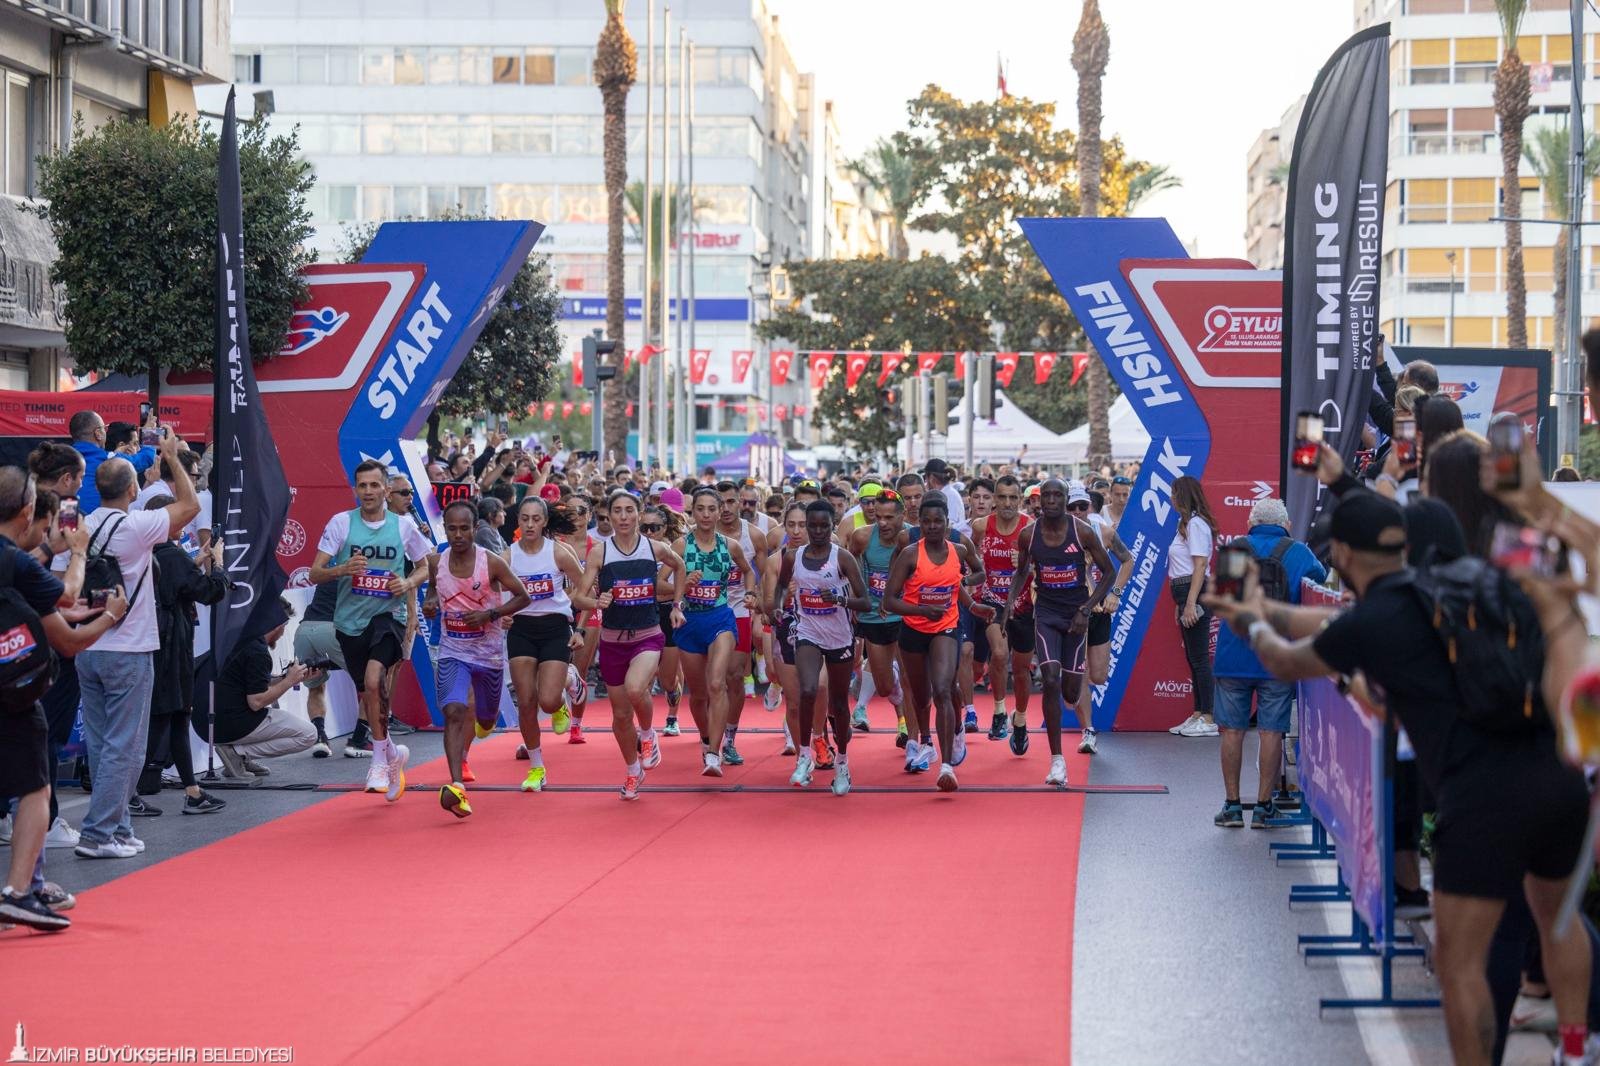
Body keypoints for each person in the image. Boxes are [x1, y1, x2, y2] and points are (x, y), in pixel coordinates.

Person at [1213, 491, 1593, 1066]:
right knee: (1557, 921)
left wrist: (1251, 626)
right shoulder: (1476, 583)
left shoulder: (1379, 617)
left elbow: (1291, 660)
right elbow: (1323, 621)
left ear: (1340, 552)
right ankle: (1576, 1048)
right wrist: (1272, 615)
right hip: (1556, 780)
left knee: (1460, 963)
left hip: (1482, 799)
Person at [0, 466, 130, 927]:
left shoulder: (18, 562)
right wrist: (77, 554)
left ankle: (29, 885)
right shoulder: (13, 563)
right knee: (35, 786)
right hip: (13, 695)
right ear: (29, 510)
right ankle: (19, 891)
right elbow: (65, 596)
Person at [75, 430, 199, 858]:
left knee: (102, 742)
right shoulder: (136, 525)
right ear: (132, 489)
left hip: (87, 645)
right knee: (125, 747)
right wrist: (171, 456)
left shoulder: (82, 528)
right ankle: (97, 834)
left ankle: (120, 826)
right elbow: (190, 506)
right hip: (128, 650)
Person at [309, 460, 434, 802]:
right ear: (355, 489)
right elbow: (315, 572)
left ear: (386, 490)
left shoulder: (403, 526)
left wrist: (407, 581)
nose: (368, 492)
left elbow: (426, 566)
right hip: (350, 622)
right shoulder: (341, 524)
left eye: (374, 486)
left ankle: (378, 761)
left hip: (387, 616)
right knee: (366, 692)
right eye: (362, 486)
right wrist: (343, 569)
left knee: (376, 680)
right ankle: (391, 754)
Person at [1205, 497, 1325, 829]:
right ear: (1285, 524)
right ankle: (1263, 806)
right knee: (1272, 731)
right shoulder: (1298, 551)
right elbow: (1320, 580)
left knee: (1232, 730)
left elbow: (1226, 601)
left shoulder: (1236, 549)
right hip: (1278, 657)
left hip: (1233, 654)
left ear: (1251, 522)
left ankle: (1231, 806)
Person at [998, 478, 1114, 787]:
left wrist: (1087, 608)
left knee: (1070, 693)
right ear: (1038, 500)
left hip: (1075, 615)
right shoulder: (1028, 535)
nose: (1050, 500)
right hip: (1046, 614)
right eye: (1045, 495)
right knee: (1049, 679)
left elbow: (1109, 572)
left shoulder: (1083, 532)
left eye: (1056, 495)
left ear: (1065, 499)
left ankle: (1071, 697)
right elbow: (1022, 570)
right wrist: (1009, 602)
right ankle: (1057, 762)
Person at [576, 489, 686, 800]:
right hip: (612, 641)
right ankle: (632, 770)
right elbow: (578, 597)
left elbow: (679, 567)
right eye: (618, 511)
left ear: (638, 513)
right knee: (621, 715)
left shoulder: (654, 548)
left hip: (648, 635)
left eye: (629, 510)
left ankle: (649, 735)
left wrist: (677, 605)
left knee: (637, 689)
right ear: (609, 517)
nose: (624, 517)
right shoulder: (599, 552)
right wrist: (597, 600)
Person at [423, 501, 530, 817]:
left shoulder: (491, 563)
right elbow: (433, 591)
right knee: (454, 710)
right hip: (453, 653)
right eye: (452, 529)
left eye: (464, 528)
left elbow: (523, 596)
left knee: (485, 717)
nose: (458, 535)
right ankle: (457, 787)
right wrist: (430, 603)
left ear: (474, 528)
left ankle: (485, 723)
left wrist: (490, 613)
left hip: (489, 657)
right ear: (445, 529)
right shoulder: (436, 562)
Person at [883, 493, 986, 791]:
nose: (931, 526)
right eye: (925, 521)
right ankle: (926, 739)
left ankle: (946, 766)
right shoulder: (910, 554)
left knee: (943, 688)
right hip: (914, 629)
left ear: (947, 522)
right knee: (921, 695)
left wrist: (966, 591)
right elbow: (890, 600)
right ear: (920, 523)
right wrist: (921, 609)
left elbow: (978, 571)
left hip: (946, 627)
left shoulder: (958, 548)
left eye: (937, 521)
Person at [137, 495, 230, 815]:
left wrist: (193, 562)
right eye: (178, 516)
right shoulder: (172, 556)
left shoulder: (145, 552)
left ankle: (192, 791)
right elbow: (211, 592)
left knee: (175, 717)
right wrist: (216, 562)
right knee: (163, 719)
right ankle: (126, 794)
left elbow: (171, 584)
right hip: (171, 648)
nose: (184, 522)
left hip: (151, 644)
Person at [772, 500, 869, 794]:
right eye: (811, 525)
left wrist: (839, 600)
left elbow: (865, 602)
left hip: (839, 637)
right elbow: (780, 585)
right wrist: (778, 606)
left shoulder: (842, 558)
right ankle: (804, 757)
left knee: (839, 704)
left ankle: (842, 762)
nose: (816, 531)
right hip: (807, 633)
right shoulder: (793, 556)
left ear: (832, 526)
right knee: (808, 690)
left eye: (823, 526)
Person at [503, 497, 589, 792]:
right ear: (518, 521)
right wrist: (500, 615)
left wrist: (580, 627)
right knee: (526, 701)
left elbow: (585, 587)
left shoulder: (559, 553)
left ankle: (569, 681)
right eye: (524, 518)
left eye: (535, 519)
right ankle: (537, 768)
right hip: (522, 629)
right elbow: (492, 591)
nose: (529, 524)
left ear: (544, 522)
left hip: (555, 627)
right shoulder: (507, 556)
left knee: (548, 701)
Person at [671, 487, 757, 777]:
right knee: (697, 694)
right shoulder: (681, 546)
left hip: (721, 618)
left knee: (717, 684)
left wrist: (749, 593)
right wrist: (683, 587)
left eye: (712, 509)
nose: (706, 514)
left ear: (720, 512)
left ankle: (713, 753)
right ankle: (707, 738)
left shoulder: (730, 545)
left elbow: (748, 571)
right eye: (700, 509)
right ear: (692, 512)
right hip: (689, 622)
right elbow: (659, 585)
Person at [211, 598, 323, 777]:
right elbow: (256, 701)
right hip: (232, 722)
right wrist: (289, 681)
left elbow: (249, 681)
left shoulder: (237, 636)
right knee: (309, 734)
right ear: (277, 624)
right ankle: (238, 753)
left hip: (209, 722)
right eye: (284, 626)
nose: (282, 633)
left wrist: (289, 677)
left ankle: (239, 755)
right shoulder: (258, 651)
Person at [1068, 483, 1133, 755]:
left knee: (1099, 675)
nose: (1079, 511)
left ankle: (1073, 691)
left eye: (1083, 506)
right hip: (1071, 611)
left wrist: (1115, 593)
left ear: (1090, 506)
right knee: (1081, 673)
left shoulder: (1100, 530)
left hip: (1098, 612)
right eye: (1073, 507)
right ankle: (1088, 731)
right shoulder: (1054, 532)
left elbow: (1127, 560)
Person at [972, 475, 1035, 746]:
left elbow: (1044, 565)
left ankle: (1019, 718)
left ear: (1019, 500)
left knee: (1021, 671)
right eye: (1002, 497)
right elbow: (972, 560)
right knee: (998, 654)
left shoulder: (1030, 527)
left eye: (1013, 498)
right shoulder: (981, 526)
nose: (1007, 503)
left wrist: (1027, 563)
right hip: (992, 603)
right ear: (994, 499)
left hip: (1024, 606)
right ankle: (999, 711)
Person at [847, 487, 907, 737]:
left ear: (902, 516)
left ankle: (914, 739)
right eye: (878, 516)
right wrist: (855, 600)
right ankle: (894, 680)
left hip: (905, 616)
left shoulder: (912, 537)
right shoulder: (861, 537)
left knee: (912, 683)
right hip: (873, 616)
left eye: (889, 517)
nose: (882, 522)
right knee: (884, 687)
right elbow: (849, 567)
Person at [715, 480, 765, 764]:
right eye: (720, 503)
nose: (725, 509)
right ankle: (710, 734)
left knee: (733, 677)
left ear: (739, 502)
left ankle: (729, 738)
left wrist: (757, 599)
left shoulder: (754, 536)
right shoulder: (697, 537)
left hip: (738, 610)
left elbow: (765, 573)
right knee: (710, 682)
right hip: (705, 611)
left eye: (731, 502)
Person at [1167, 476, 1219, 738]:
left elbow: (1199, 565)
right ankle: (1198, 713)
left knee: (1199, 659)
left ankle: (1208, 717)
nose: (1171, 498)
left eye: (1174, 494)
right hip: (1184, 591)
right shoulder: (1185, 526)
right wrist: (1181, 603)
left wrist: (1190, 603)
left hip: (1193, 591)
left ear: (1183, 496)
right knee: (1193, 657)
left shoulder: (1197, 525)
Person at [69, 409, 156, 514]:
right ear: (98, 434)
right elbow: (147, 457)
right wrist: (149, 432)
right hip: (101, 525)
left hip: (69, 520)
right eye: (104, 429)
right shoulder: (109, 458)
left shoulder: (61, 457)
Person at [922, 458, 969, 537]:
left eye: (925, 478)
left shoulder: (949, 496)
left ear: (931, 478)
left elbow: (949, 527)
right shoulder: (946, 493)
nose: (925, 483)